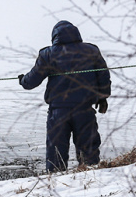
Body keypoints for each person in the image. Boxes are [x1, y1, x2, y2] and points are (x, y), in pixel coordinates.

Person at [19, 21, 111, 172]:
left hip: (58, 111)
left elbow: (32, 81)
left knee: (56, 152)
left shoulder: (48, 54)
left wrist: (23, 81)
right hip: (85, 109)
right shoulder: (91, 51)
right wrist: (103, 97)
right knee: (88, 151)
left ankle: (57, 185)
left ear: (54, 36)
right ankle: (91, 181)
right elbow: (103, 76)